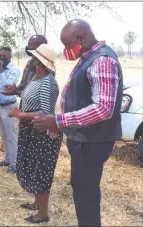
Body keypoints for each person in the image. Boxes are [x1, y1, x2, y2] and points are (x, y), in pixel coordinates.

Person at [33, 19, 123, 227]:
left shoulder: (102, 60)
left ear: (81, 38)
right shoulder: (88, 57)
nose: (66, 51)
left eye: (67, 44)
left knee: (86, 197)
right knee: (82, 191)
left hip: (92, 142)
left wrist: (59, 121)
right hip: (84, 139)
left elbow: (103, 108)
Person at [8, 44, 62, 223]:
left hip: (41, 133)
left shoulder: (48, 83)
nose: (31, 59)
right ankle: (36, 204)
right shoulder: (36, 79)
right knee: (32, 167)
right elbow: (28, 96)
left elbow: (45, 114)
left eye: (34, 57)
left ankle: (42, 213)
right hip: (31, 131)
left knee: (41, 171)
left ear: (40, 63)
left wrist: (20, 114)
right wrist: (15, 91)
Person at [2, 35, 49, 108]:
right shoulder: (29, 64)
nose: (27, 47)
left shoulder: (46, 67)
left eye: (30, 45)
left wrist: (17, 92)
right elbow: (23, 84)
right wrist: (15, 89)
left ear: (40, 47)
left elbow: (38, 95)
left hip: (36, 113)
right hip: (24, 108)